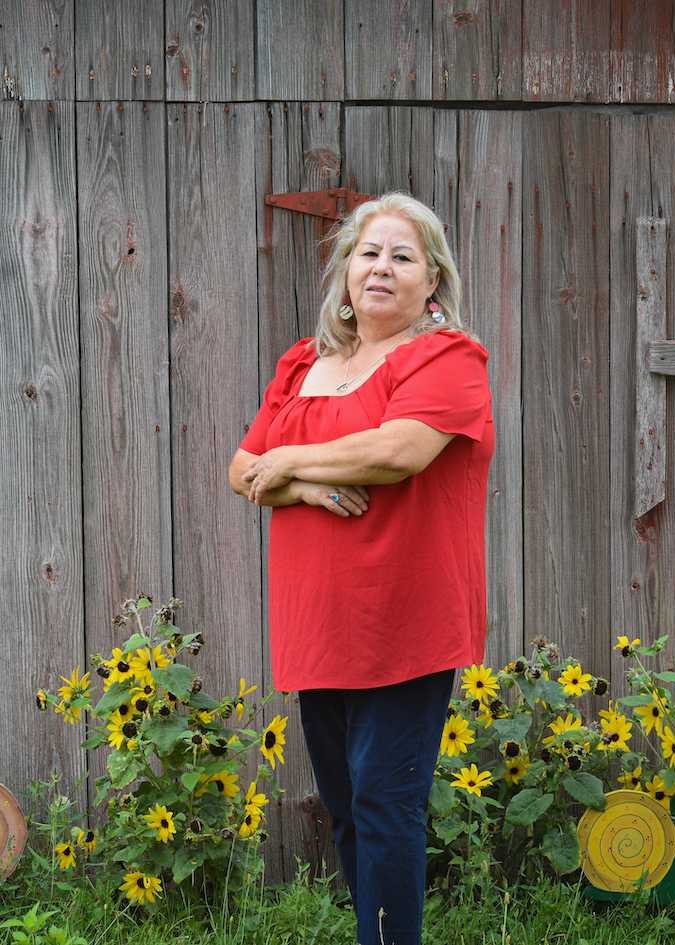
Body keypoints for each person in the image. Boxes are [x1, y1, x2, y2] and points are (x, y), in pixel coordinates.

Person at [228, 192, 493, 945]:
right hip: (319, 623)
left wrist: (283, 461)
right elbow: (240, 467)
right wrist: (302, 483)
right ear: (344, 273)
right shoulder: (304, 364)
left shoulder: (448, 360)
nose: (380, 267)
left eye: (401, 256)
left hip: (402, 622)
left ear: (431, 281)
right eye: (367, 253)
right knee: (347, 805)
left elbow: (395, 452)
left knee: (385, 804)